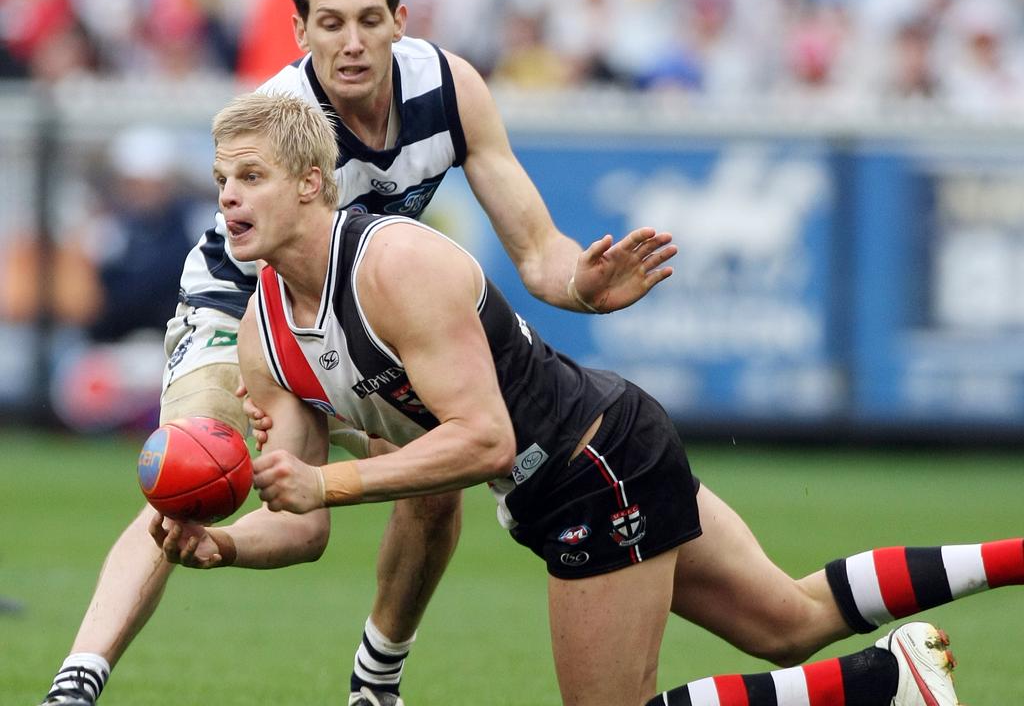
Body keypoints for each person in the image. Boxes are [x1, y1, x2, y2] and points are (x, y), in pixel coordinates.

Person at [153, 91, 1024, 705]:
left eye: (250, 176)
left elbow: (484, 442)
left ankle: (886, 684)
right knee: (788, 623)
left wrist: (332, 485)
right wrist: (224, 545)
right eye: (222, 177)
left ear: (312, 183)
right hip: (592, 454)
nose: (227, 196)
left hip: (590, 461)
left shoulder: (395, 263)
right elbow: (300, 523)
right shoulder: (264, 337)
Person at [37, 0, 676, 706]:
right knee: (190, 469)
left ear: (400, 21)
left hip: (347, 311)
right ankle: (78, 679)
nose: (351, 41)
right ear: (300, 32)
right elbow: (269, 257)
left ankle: (376, 676)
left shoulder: (447, 87)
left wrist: (582, 282)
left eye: (370, 20)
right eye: (330, 22)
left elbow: (541, 253)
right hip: (242, 304)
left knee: (441, 465)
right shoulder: (291, 124)